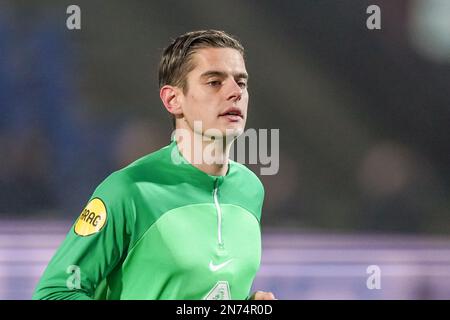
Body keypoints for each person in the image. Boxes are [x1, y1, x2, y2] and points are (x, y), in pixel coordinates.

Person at [33, 30, 275, 300]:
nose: (235, 92)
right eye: (214, 82)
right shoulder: (129, 190)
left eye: (241, 83)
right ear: (173, 100)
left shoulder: (251, 189)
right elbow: (53, 294)